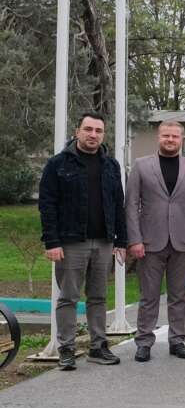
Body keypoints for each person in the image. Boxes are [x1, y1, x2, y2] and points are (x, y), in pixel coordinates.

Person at [38, 111, 127, 370]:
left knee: (98, 296)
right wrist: (52, 242)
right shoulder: (58, 164)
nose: (93, 135)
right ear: (77, 131)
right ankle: (66, 349)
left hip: (103, 241)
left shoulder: (111, 165)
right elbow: (47, 204)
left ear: (103, 135)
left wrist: (121, 240)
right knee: (68, 297)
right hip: (70, 242)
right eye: (88, 129)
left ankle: (98, 346)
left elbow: (118, 204)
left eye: (98, 131)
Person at [126, 121, 185, 362]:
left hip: (183, 241)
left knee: (178, 295)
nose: (170, 140)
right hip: (149, 242)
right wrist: (135, 239)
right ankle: (144, 342)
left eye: (175, 136)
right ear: (159, 137)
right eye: (166, 135)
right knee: (148, 296)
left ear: (181, 139)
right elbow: (131, 204)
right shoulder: (142, 165)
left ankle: (177, 340)